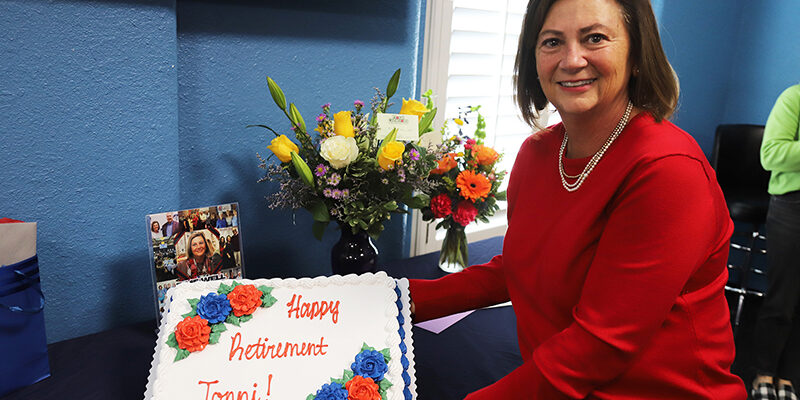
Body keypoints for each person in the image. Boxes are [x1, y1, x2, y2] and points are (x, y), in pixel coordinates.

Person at [408, 0, 747, 398]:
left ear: (637, 53)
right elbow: (516, 269)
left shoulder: (667, 169)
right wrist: (399, 298)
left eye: (595, 38)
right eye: (552, 41)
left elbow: (600, 344)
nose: (572, 60)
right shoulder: (537, 154)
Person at [752, 83, 800, 400]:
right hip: (792, 205)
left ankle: (790, 376)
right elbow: (771, 155)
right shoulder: (794, 97)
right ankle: (763, 373)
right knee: (783, 297)